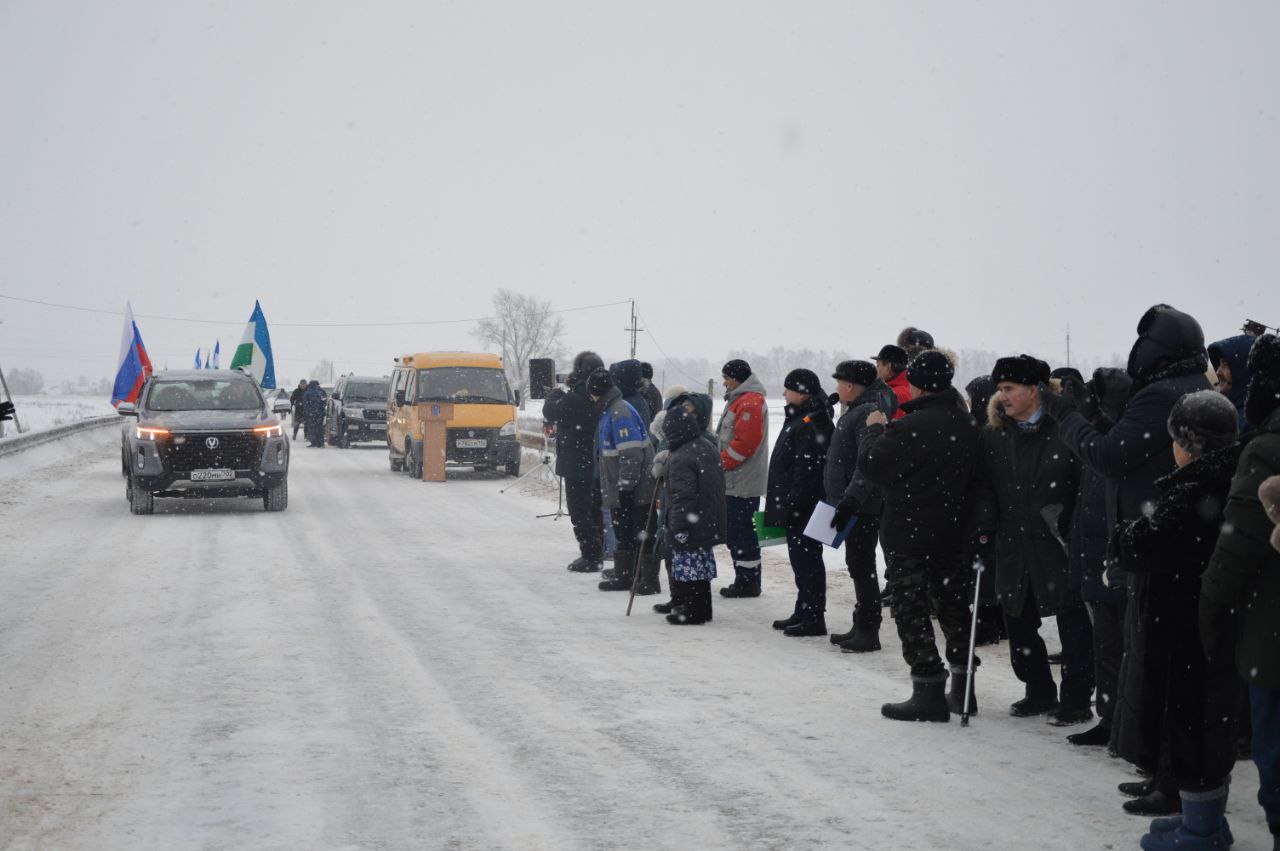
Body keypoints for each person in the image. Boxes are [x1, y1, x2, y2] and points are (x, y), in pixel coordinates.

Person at [1042, 303, 1212, 816]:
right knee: (1158, 664)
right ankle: (1164, 770)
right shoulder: (1190, 388)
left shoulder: (1163, 392)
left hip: (1158, 546)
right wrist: (1093, 416)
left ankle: (1171, 777)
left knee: (1158, 666)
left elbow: (1110, 456)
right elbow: (1126, 444)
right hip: (1175, 541)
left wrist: (1066, 415)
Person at [1114, 390, 1241, 850]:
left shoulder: (1193, 491)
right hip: (1211, 624)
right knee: (1205, 723)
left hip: (1189, 628)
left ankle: (1202, 830)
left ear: (1188, 443)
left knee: (1193, 726)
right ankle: (1202, 819)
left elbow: (1144, 546)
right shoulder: (1231, 477)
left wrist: (1125, 534)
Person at [971, 355, 1095, 725]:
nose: (1002, 396)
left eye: (1009, 388)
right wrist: (983, 526)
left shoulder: (1066, 429)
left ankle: (1076, 699)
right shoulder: (994, 434)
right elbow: (985, 488)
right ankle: (1038, 690)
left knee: (1074, 624)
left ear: (1035, 390)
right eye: (999, 389)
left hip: (1059, 543)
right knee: (1019, 621)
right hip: (1013, 542)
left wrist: (1073, 526)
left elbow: (1085, 485)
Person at [859, 350, 979, 722]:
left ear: (918, 385)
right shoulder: (967, 423)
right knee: (953, 606)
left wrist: (873, 430)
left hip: (910, 532)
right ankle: (964, 686)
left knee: (910, 608)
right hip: (954, 530)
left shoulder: (910, 426)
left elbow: (873, 466)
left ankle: (928, 689)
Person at [1199, 334, 1280, 849]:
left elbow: (1239, 541)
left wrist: (1211, 602)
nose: (1221, 376)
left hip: (1271, 625)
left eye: (1227, 367)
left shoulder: (1266, 446)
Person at [1064, 367, 1134, 748]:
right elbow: (1084, 506)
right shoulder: (1098, 444)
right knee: (1105, 646)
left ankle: (1129, 724)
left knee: (1126, 649)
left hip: (1118, 561)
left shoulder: (1121, 443)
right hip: (1097, 557)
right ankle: (1109, 718)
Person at [824, 359, 891, 653]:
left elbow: (868, 463)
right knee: (858, 564)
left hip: (862, 505)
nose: (838, 387)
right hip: (854, 502)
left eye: (840, 382)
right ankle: (861, 624)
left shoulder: (866, 412)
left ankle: (868, 629)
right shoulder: (857, 410)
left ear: (850, 386)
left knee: (862, 566)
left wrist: (852, 499)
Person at [765, 368, 834, 636]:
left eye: (788, 389)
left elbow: (807, 468)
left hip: (804, 505)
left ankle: (813, 617)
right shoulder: (801, 416)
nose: (784, 393)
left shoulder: (811, 421)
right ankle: (803, 609)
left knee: (807, 560)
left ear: (803, 393)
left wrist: (794, 501)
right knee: (800, 559)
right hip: (797, 502)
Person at [587, 368, 660, 595]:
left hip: (635, 488)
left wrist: (626, 486)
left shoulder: (620, 412)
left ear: (597, 392)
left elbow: (631, 454)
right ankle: (626, 575)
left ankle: (647, 580)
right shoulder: (611, 409)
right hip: (621, 486)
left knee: (642, 532)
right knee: (624, 532)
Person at [662, 401, 727, 625]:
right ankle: (702, 609)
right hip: (708, 518)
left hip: (692, 521)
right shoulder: (705, 445)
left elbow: (683, 497)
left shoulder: (681, 456)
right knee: (700, 568)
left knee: (689, 567)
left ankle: (692, 612)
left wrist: (678, 526)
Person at [542, 351, 606, 573]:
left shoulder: (575, 397)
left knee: (579, 511)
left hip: (576, 462)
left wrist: (554, 393)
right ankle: (598, 548)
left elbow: (550, 410)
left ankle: (591, 555)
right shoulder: (602, 396)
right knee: (595, 508)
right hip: (597, 461)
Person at [716, 359, 770, 598]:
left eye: (726, 378)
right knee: (738, 532)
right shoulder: (741, 400)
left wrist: (720, 463)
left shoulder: (749, 402)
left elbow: (745, 444)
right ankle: (745, 579)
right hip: (736, 480)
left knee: (743, 533)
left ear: (736, 379)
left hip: (742, 482)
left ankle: (747, 582)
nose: (724, 383)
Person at [963, 374, 1005, 647]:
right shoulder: (990, 429)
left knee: (983, 568)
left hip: (984, 509)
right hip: (991, 508)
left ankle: (986, 623)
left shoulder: (983, 432)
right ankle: (998, 621)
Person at [1208, 333, 1255, 431]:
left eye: (1225, 364)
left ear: (1244, 369)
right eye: (1219, 364)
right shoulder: (1232, 410)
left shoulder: (1248, 422)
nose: (1218, 372)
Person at [872, 344, 912, 418]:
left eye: (878, 365)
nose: (876, 369)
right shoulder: (909, 386)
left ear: (888, 367)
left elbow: (888, 424)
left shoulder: (895, 394)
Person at [610, 359, 653, 424]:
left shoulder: (625, 406)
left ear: (621, 382)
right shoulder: (636, 399)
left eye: (614, 380)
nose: (612, 384)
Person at [303, 380, 327, 448]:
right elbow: (324, 402)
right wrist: (322, 410)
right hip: (320, 414)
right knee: (320, 428)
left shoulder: (307, 392)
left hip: (311, 414)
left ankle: (314, 442)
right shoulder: (322, 392)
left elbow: (305, 404)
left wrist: (307, 412)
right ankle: (321, 443)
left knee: (312, 428)